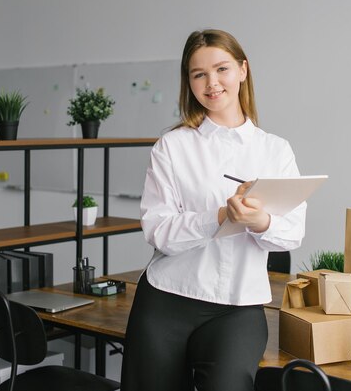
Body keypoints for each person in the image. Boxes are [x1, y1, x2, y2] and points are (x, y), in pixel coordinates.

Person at [121, 29, 307, 391]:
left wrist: (260, 221)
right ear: (188, 81)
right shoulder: (172, 147)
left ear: (242, 70)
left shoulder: (275, 151)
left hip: (238, 306)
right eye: (199, 74)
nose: (212, 83)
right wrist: (219, 217)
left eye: (221, 69)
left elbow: (292, 232)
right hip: (165, 300)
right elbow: (158, 230)